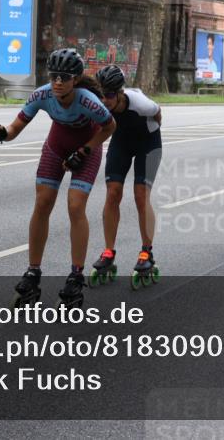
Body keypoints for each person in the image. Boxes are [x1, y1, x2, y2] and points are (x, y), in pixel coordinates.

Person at [0, 49, 117, 308]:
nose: (57, 81)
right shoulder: (42, 94)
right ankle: (33, 271)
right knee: (43, 203)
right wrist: (0, 132)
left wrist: (86, 150)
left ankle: (76, 275)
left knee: (75, 206)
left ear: (76, 79)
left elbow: (110, 126)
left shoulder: (88, 100)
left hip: (86, 150)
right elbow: (13, 130)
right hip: (56, 147)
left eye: (64, 77)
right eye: (54, 75)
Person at [91, 65, 163, 289]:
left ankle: (146, 252)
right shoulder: (98, 105)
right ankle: (108, 251)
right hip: (121, 142)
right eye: (101, 95)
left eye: (110, 95)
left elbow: (158, 115)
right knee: (113, 193)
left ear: (120, 92)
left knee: (141, 196)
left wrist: (147, 132)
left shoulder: (139, 103)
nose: (105, 100)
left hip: (147, 143)